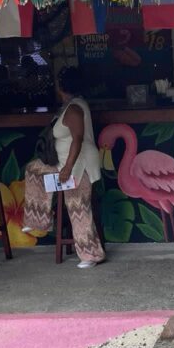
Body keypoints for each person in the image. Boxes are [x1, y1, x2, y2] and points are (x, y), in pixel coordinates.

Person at [22, 66, 105, 269]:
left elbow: (77, 140)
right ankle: (39, 219)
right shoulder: (70, 106)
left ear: (61, 87)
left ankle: (91, 255)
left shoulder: (75, 109)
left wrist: (67, 169)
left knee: (77, 207)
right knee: (34, 169)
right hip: (64, 163)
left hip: (78, 165)